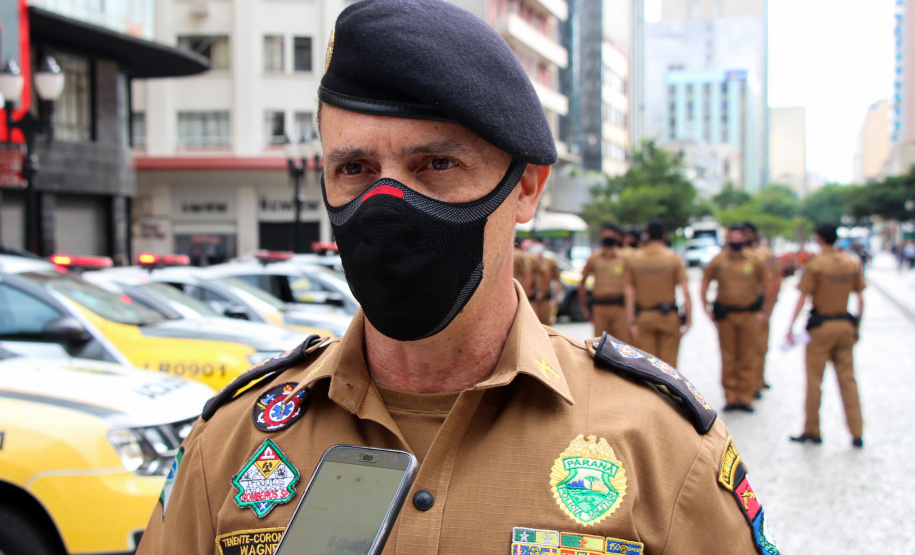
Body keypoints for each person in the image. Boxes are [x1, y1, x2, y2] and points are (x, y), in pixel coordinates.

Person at [137, 1, 777, 553]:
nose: (387, 203)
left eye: (436, 164)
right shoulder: (228, 445)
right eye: (355, 168)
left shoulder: (659, 445)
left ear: (525, 189)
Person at [785, 223, 865, 448]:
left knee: (814, 381)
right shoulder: (851, 263)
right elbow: (860, 298)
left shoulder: (816, 265)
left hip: (821, 328)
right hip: (845, 327)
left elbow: (802, 298)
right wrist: (857, 326)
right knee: (848, 381)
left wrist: (790, 326)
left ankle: (812, 429)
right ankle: (857, 432)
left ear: (819, 239)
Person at [701, 225, 769, 412]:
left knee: (747, 355)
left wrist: (763, 311)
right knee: (728, 356)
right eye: (733, 237)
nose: (736, 240)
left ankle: (746, 397)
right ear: (728, 239)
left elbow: (765, 285)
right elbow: (705, 282)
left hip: (748, 314)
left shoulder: (754, 261)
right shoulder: (718, 261)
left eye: (740, 237)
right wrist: (706, 307)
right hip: (726, 315)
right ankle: (731, 396)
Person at [624, 220, 692, 367]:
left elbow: (629, 291)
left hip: (644, 317)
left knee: (647, 366)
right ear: (665, 236)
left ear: (647, 236)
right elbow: (685, 291)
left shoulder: (635, 259)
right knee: (669, 368)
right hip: (669, 318)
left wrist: (631, 321)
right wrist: (689, 321)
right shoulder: (673, 258)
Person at [743, 222, 781, 397]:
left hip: (760, 306)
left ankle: (757, 380)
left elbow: (775, 279)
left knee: (760, 346)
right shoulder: (734, 256)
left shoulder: (765, 255)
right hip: (743, 308)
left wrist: (768, 307)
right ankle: (747, 384)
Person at [579, 222, 630, 341]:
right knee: (601, 344)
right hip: (599, 307)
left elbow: (632, 285)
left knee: (621, 345)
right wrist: (585, 308)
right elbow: (582, 283)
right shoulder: (594, 258)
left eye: (611, 234)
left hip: (620, 308)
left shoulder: (625, 258)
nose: (608, 237)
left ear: (617, 237)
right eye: (605, 234)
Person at [528, 236, 562, 325]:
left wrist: (554, 301)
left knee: (546, 328)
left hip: (545, 300)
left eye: (536, 243)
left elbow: (558, 282)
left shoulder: (549, 262)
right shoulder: (527, 261)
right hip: (531, 300)